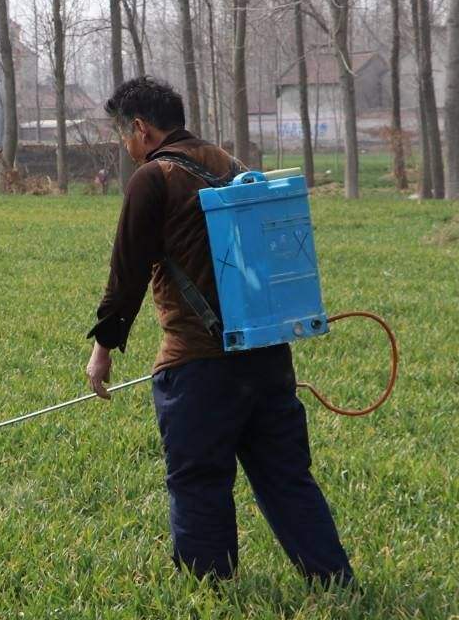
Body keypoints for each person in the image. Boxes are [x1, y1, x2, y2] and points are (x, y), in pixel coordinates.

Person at [85, 76, 353, 585]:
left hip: (197, 365)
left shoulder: (154, 176)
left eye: (124, 133)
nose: (126, 145)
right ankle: (333, 579)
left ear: (140, 128)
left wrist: (103, 349)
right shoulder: (231, 165)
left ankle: (210, 590)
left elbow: (127, 275)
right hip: (267, 355)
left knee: (199, 481)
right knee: (287, 477)